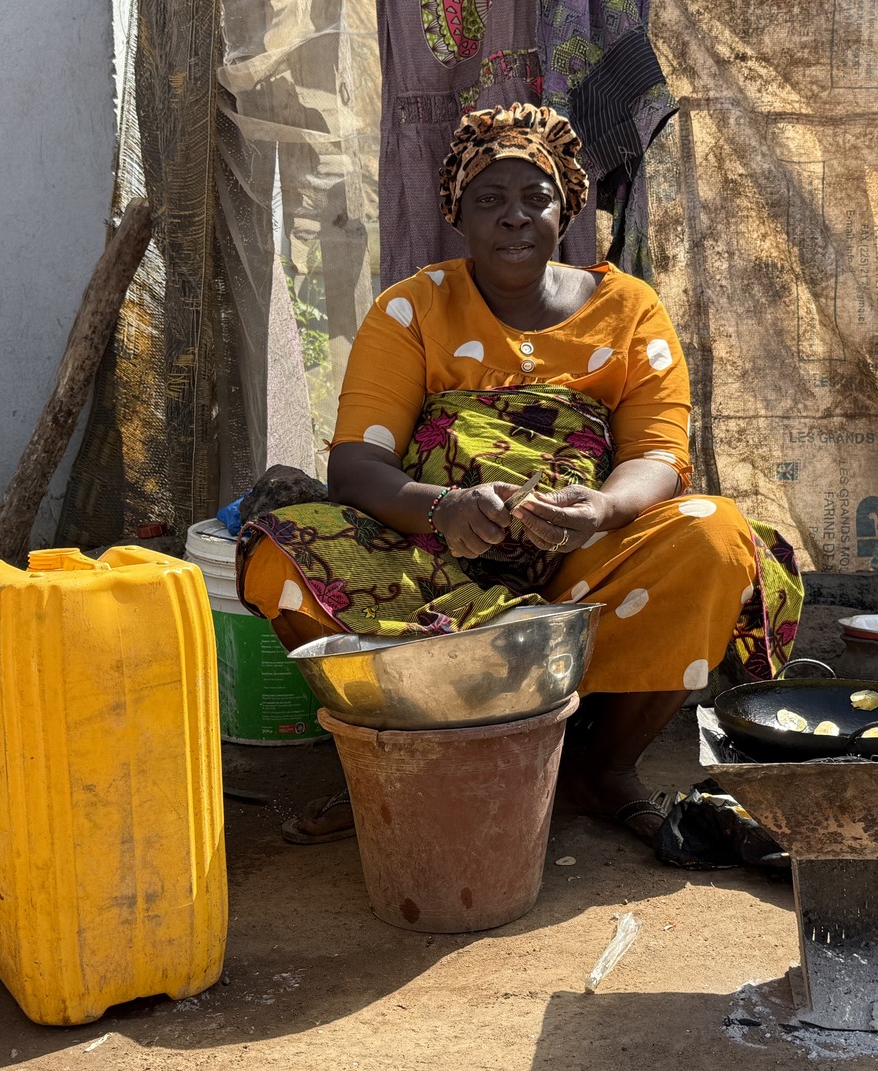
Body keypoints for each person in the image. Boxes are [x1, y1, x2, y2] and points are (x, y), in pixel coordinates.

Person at [237, 104, 802, 846]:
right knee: (278, 550)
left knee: (717, 537)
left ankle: (601, 766)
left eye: (534, 197)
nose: (513, 218)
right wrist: (444, 507)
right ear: (458, 216)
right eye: (489, 200)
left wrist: (600, 509)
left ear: (564, 209)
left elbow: (658, 456)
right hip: (431, 565)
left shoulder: (629, 312)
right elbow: (356, 465)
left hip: (581, 573)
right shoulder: (410, 309)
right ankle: (398, 765)